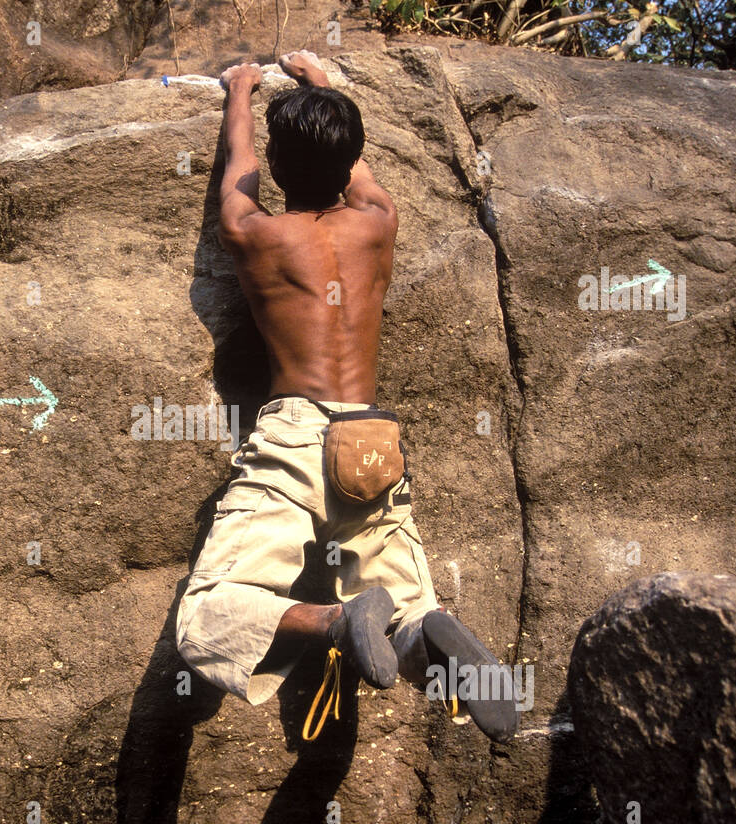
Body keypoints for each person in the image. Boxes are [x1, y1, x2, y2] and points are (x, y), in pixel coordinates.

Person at [175, 51, 518, 743]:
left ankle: (333, 619)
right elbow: (355, 169)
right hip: (372, 441)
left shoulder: (255, 234)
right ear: (351, 156)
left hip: (295, 437)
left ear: (279, 168)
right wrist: (320, 87)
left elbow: (235, 176)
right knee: (407, 607)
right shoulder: (378, 221)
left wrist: (240, 90)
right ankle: (424, 632)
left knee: (206, 619)